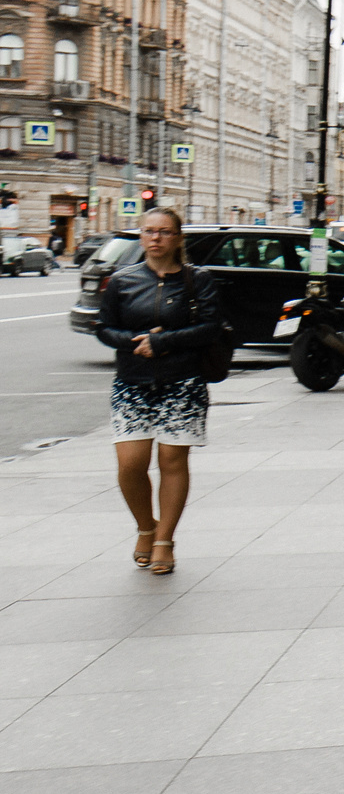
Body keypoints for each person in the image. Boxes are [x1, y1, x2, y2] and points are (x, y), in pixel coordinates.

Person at [94, 208, 228, 576]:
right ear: (141, 236)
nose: (155, 238)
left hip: (182, 382)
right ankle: (145, 527)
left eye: (165, 232)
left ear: (178, 238)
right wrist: (135, 341)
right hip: (132, 383)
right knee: (130, 466)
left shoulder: (197, 279)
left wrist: (163, 342)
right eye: (149, 231)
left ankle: (164, 540)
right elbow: (103, 328)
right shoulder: (122, 280)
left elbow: (211, 327)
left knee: (172, 462)